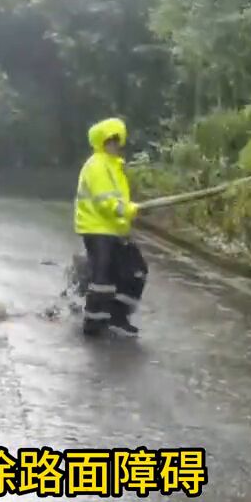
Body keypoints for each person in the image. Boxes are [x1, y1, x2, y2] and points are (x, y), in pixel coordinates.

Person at [74, 117, 148, 338]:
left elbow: (119, 202)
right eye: (110, 140)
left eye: (117, 139)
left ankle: (118, 317)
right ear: (101, 141)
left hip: (115, 229)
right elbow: (105, 202)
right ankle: (94, 322)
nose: (114, 144)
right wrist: (129, 211)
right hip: (97, 229)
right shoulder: (96, 166)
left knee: (135, 271)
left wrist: (128, 213)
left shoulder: (115, 167)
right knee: (103, 278)